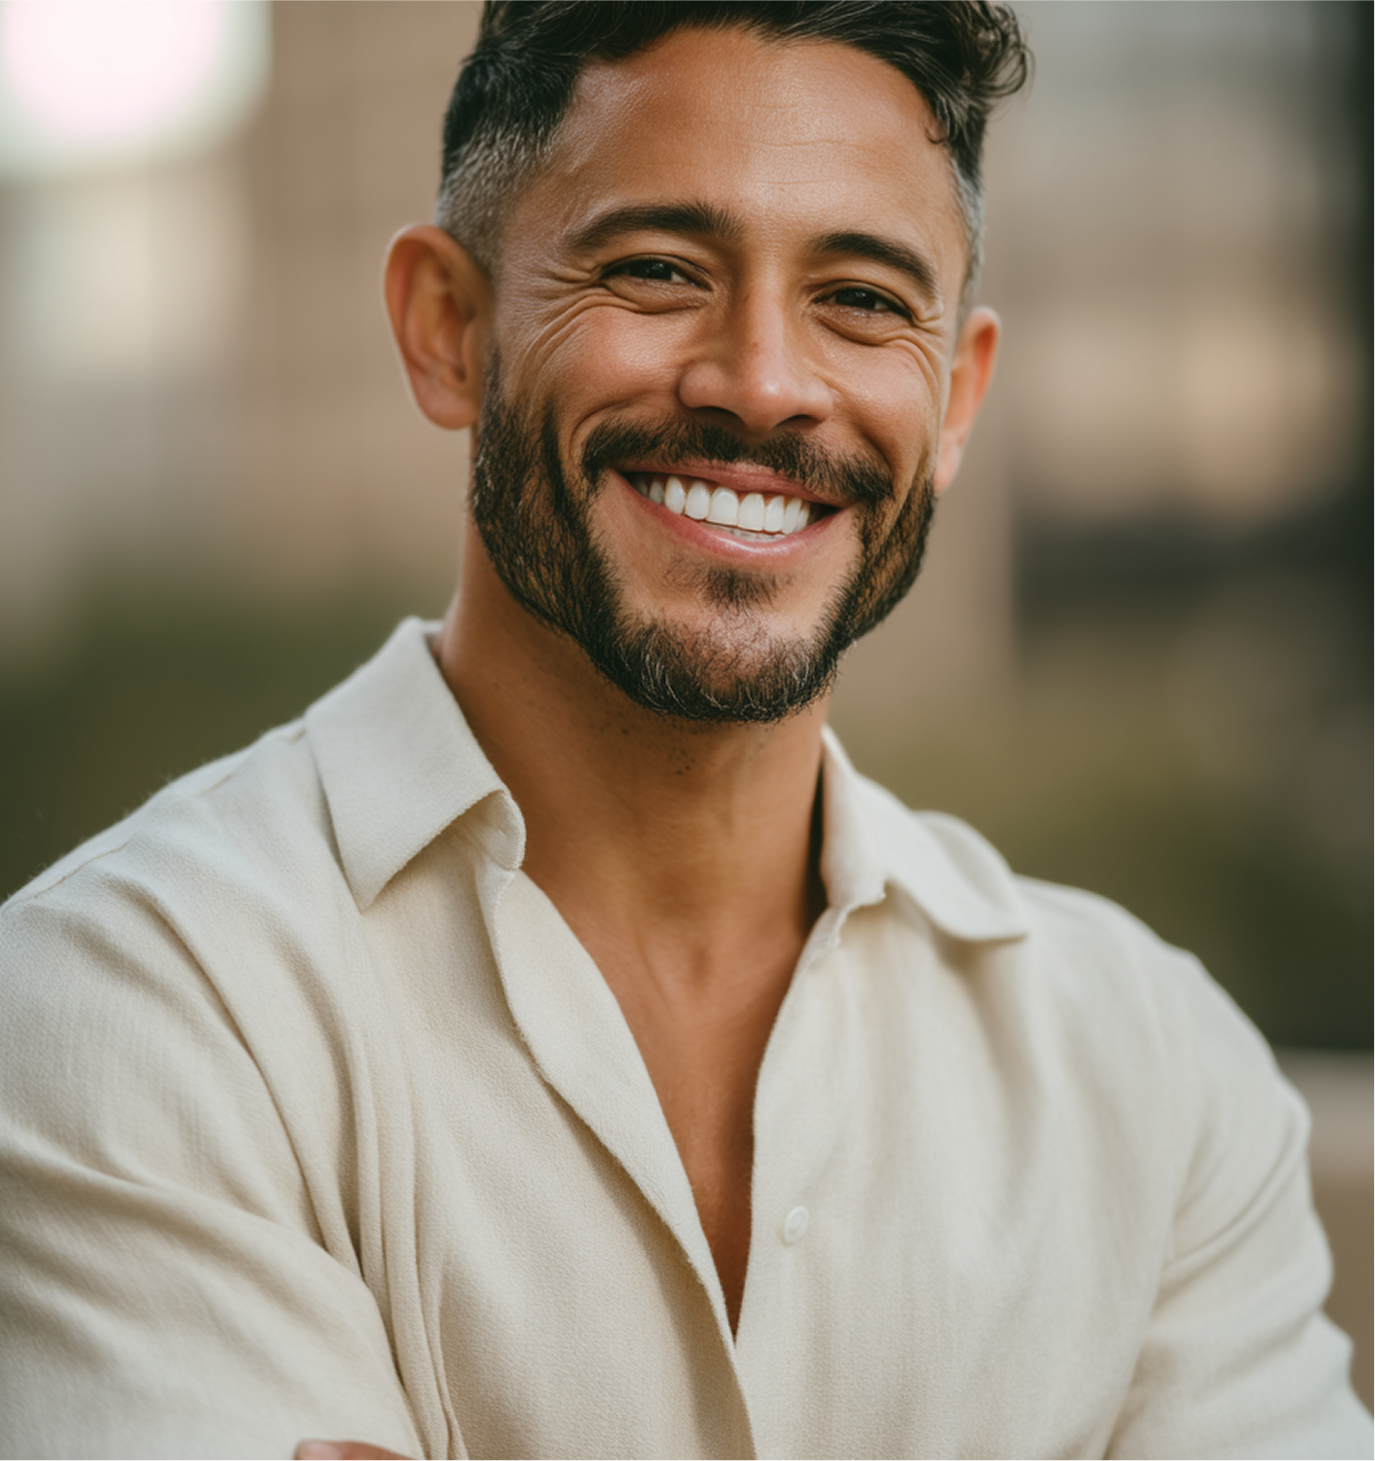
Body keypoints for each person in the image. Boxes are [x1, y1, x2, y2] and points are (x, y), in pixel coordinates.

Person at [0, 2, 1370, 1457]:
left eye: (856, 297)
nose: (763, 382)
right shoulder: (122, 1011)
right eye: (656, 270)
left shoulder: (1154, 1073)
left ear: (955, 399)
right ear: (447, 329)